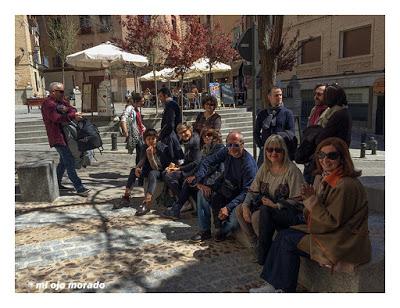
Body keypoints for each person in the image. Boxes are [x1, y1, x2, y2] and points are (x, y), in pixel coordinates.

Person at [250, 137, 371, 293]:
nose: (325, 160)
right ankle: (274, 285)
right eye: (321, 155)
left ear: (342, 158)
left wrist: (312, 200)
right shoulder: (329, 178)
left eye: (332, 156)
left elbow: (330, 222)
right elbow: (312, 215)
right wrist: (311, 199)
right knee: (284, 235)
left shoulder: (345, 185)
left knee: (287, 239)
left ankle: (283, 289)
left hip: (343, 240)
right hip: (333, 234)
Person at [237, 134, 304, 264]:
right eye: (269, 149)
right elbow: (253, 189)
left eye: (277, 150)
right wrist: (245, 205)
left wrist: (276, 205)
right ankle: (256, 244)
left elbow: (298, 199)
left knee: (258, 215)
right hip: (266, 206)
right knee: (239, 209)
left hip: (285, 210)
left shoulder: (292, 171)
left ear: (284, 152)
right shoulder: (265, 167)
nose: (273, 153)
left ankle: (266, 249)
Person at [187, 131, 257, 242]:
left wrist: (228, 208)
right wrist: (198, 179)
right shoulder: (226, 151)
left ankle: (222, 231)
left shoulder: (248, 165)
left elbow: (247, 192)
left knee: (235, 217)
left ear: (242, 145)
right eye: (229, 145)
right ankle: (204, 231)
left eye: (236, 145)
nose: (232, 148)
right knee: (202, 193)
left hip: (239, 198)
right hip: (226, 189)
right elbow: (207, 161)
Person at [161, 128, 225, 219]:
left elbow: (220, 170)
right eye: (204, 135)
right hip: (201, 176)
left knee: (187, 182)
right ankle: (178, 209)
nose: (206, 137)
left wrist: (206, 184)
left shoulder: (219, 149)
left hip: (214, 182)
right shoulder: (206, 148)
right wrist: (195, 177)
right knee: (186, 181)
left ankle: (176, 210)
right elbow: (200, 166)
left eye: (209, 135)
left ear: (216, 137)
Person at [41, 82, 90, 196]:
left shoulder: (61, 102)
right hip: (57, 137)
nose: (63, 94)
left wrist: (69, 111)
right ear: (53, 91)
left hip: (67, 136)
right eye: (61, 91)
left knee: (63, 162)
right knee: (69, 162)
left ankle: (57, 183)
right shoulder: (48, 104)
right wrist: (71, 115)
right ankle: (79, 187)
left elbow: (72, 109)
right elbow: (56, 118)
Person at [117, 129, 173, 215]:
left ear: (156, 139)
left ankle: (147, 202)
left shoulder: (162, 148)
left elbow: (157, 168)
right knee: (133, 171)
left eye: (153, 139)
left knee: (152, 173)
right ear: (145, 140)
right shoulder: (144, 147)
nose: (151, 141)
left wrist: (151, 156)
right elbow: (142, 159)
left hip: (161, 171)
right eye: (148, 139)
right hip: (148, 169)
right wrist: (137, 168)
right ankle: (126, 197)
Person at [163, 122, 202, 208]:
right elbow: (188, 160)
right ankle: (183, 200)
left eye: (185, 131)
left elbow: (196, 162)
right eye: (181, 133)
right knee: (166, 172)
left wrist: (179, 169)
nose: (183, 134)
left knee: (169, 176)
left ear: (190, 129)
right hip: (189, 168)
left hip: (195, 171)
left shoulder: (195, 141)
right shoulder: (188, 141)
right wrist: (176, 167)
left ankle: (184, 201)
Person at [254, 87, 295, 167]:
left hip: (281, 151)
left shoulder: (287, 113)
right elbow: (256, 132)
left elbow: (291, 133)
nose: (279, 97)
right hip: (266, 152)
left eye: (280, 95)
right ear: (269, 97)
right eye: (276, 95)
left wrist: (277, 136)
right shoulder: (262, 114)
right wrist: (262, 146)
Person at [300, 84, 327, 184]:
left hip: (319, 157)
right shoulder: (314, 109)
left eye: (319, 94)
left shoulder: (328, 112)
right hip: (309, 155)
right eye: (315, 94)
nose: (316, 97)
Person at [157, 87, 184, 162]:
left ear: (166, 95)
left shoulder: (170, 105)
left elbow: (170, 124)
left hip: (171, 136)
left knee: (172, 159)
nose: (160, 99)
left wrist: (161, 135)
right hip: (172, 135)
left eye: (160, 96)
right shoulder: (172, 104)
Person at [120, 94, 146, 169]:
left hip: (140, 133)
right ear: (136, 101)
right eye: (142, 101)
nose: (143, 103)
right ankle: (138, 168)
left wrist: (144, 128)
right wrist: (126, 132)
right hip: (135, 134)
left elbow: (138, 122)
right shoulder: (130, 108)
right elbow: (123, 119)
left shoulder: (136, 109)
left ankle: (139, 168)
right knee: (141, 151)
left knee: (140, 152)